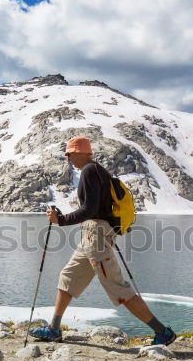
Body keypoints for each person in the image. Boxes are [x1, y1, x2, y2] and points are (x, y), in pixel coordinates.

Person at [30, 136, 176, 345]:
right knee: (68, 276)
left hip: (96, 236)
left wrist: (60, 220)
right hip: (92, 235)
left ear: (81, 152)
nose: (68, 158)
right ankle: (54, 329)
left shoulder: (90, 170)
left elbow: (89, 209)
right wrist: (64, 219)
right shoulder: (96, 171)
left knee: (118, 287)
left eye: (70, 153)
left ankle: (163, 332)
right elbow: (94, 208)